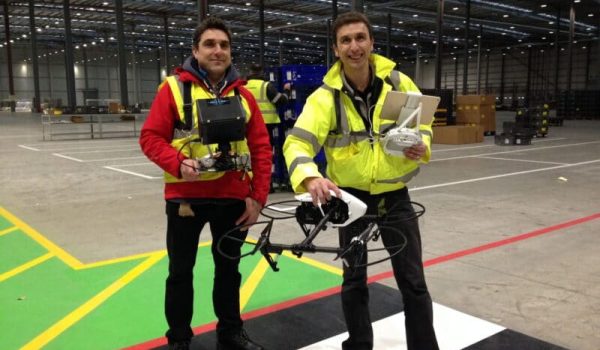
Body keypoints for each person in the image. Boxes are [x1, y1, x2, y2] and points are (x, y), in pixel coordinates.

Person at [283, 11, 439, 350]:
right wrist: (309, 177)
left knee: (413, 280)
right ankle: (359, 344)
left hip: (396, 195)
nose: (354, 46)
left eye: (360, 38)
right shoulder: (324, 98)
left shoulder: (399, 83)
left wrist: (420, 145)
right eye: (346, 40)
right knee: (354, 279)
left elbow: (422, 127)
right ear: (336, 50)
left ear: (371, 42)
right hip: (351, 200)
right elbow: (297, 142)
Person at [139, 16, 271, 350]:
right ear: (195, 51)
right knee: (180, 272)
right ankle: (179, 339)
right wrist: (177, 163)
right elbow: (150, 138)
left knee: (229, 271)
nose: (218, 51)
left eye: (224, 45)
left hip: (233, 200)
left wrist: (257, 198)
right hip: (186, 200)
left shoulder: (244, 97)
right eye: (210, 44)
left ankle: (230, 331)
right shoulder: (172, 89)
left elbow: (262, 149)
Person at [245, 64, 291, 191]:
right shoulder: (266, 86)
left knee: (249, 156)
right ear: (262, 72)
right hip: (266, 126)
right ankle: (267, 185)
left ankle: (251, 185)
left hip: (247, 126)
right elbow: (281, 101)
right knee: (265, 156)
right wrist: (287, 90)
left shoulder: (243, 87)